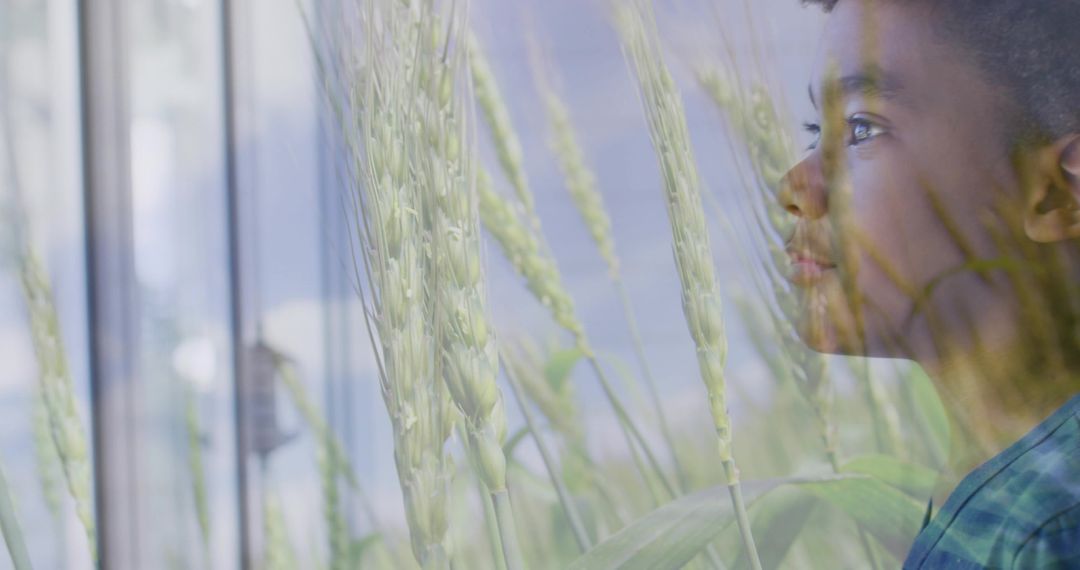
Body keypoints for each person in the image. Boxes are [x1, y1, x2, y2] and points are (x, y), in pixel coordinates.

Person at [779, 0, 1080, 566]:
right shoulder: (999, 488)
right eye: (816, 131)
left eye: (862, 128)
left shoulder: (1056, 528)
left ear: (1056, 192)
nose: (795, 186)